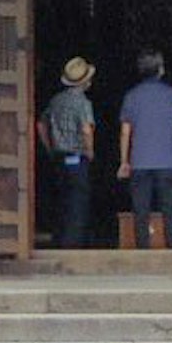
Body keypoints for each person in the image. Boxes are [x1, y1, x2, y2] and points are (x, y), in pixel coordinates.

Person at [116, 49, 172, 249]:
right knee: (170, 209)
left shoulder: (132, 95)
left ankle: (143, 252)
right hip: (167, 161)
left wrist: (124, 162)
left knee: (141, 210)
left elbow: (125, 132)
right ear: (161, 70)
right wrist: (167, 125)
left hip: (139, 161)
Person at [39, 57, 97, 251]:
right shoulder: (83, 103)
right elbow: (87, 129)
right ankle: (72, 245)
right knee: (78, 202)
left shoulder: (56, 100)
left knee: (62, 200)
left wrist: (50, 148)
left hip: (59, 157)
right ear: (85, 82)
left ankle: (59, 239)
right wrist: (90, 152)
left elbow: (40, 124)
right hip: (77, 157)